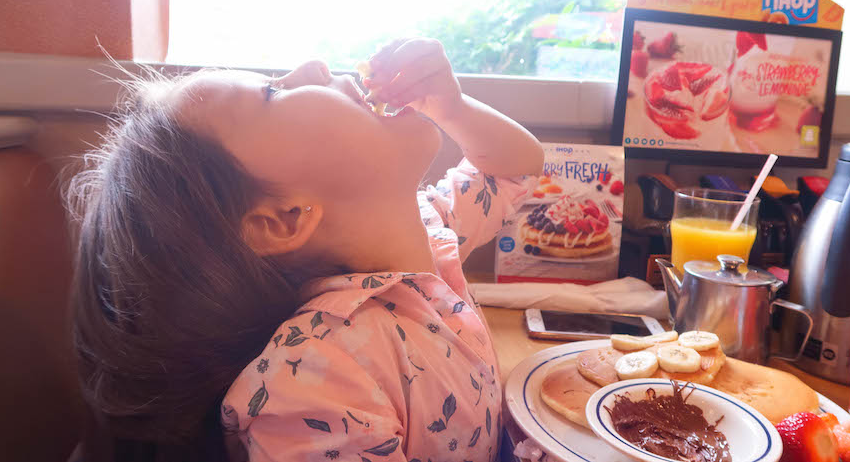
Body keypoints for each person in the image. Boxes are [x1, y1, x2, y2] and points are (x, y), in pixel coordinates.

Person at [68, 38, 544, 462]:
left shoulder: (430, 224)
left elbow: (515, 169)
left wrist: (453, 108)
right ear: (285, 219)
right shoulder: (314, 383)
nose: (315, 66)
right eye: (272, 92)